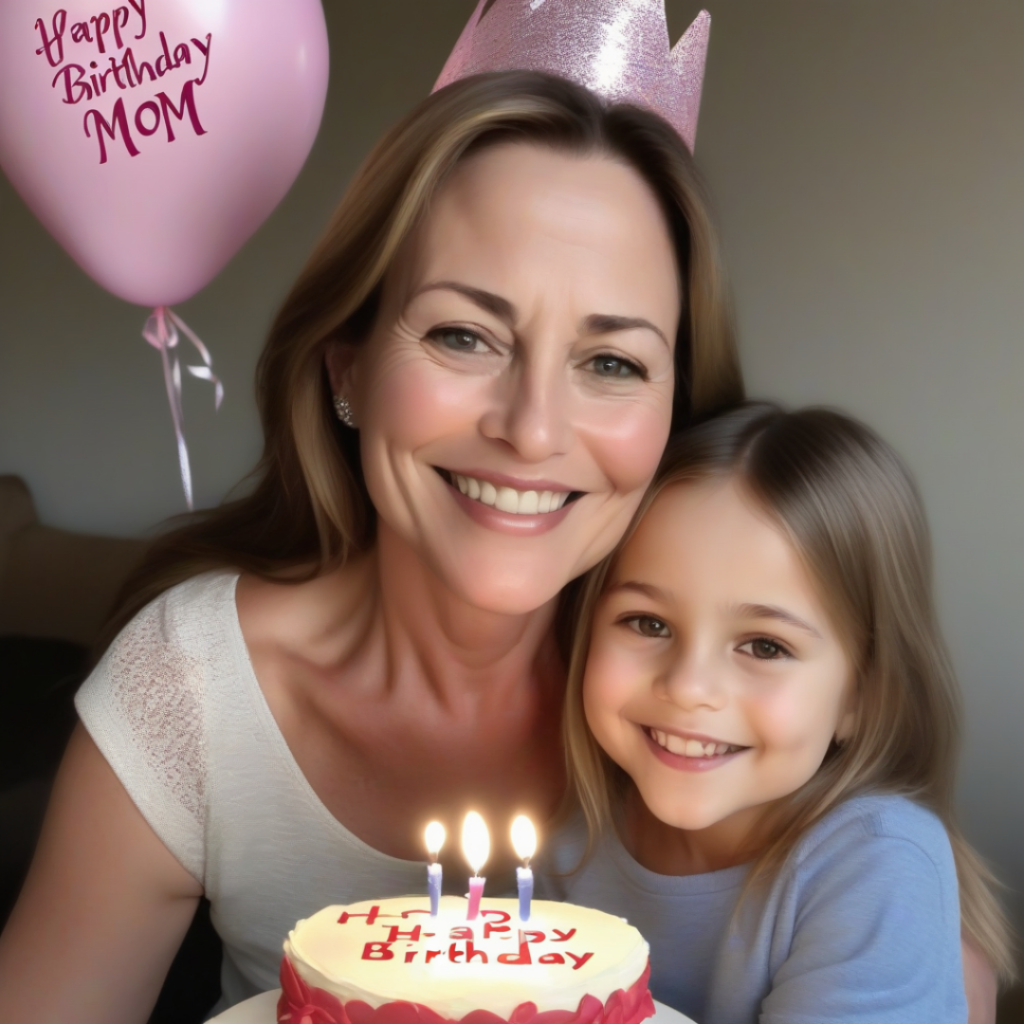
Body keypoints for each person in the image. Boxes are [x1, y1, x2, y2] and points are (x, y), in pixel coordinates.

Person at [0, 71, 743, 1023]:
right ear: (348, 368)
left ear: (675, 413)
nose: (530, 429)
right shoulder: (191, 688)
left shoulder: (727, 695)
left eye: (610, 362)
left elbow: (917, 931)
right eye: (466, 336)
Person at [554, 403, 1015, 1023]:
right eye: (649, 623)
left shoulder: (874, 865)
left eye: (765, 646)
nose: (689, 687)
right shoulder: (556, 830)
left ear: (864, 695)